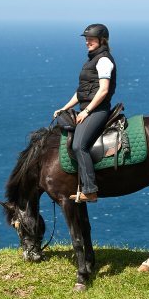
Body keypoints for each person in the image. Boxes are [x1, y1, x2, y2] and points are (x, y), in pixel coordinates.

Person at [53, 24, 117, 203]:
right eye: (86, 39)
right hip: (89, 108)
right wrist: (64, 108)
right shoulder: (91, 60)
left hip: (98, 110)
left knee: (78, 145)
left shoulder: (104, 60)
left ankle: (90, 190)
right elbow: (81, 92)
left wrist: (87, 111)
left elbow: (103, 90)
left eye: (91, 39)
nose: (87, 42)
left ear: (102, 40)